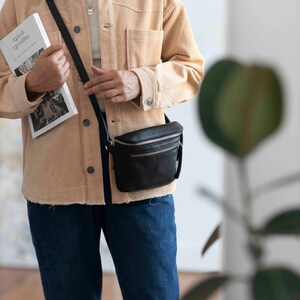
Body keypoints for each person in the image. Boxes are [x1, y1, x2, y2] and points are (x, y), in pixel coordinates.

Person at [0, 0, 204, 299]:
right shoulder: (20, 5)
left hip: (141, 186)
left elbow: (191, 69)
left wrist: (140, 81)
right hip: (56, 189)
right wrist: (32, 83)